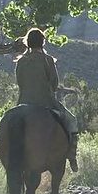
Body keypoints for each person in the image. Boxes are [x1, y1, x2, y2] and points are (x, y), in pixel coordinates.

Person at [15, 28, 79, 172]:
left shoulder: (21, 61)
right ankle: (72, 156)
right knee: (72, 121)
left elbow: (20, 82)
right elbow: (54, 84)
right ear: (43, 43)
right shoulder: (48, 60)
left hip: (23, 103)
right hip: (46, 102)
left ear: (28, 43)